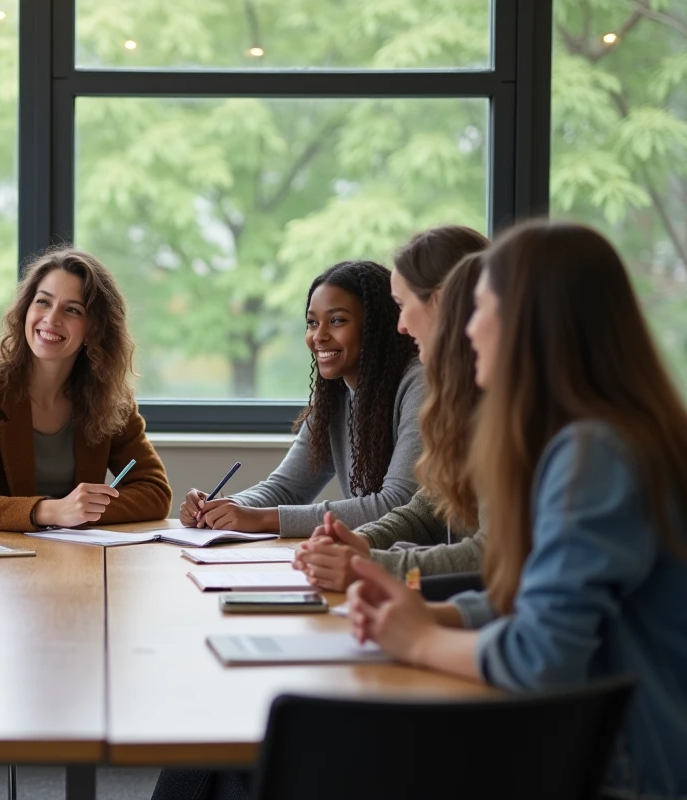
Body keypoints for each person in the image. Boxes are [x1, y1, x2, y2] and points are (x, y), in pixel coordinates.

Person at [348, 221, 687, 799]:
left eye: (482, 308)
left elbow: (542, 656)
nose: (470, 328)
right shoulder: (597, 438)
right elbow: (536, 604)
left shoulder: (594, 454)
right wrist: (427, 616)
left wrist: (420, 642)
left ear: (534, 325)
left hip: (627, 774)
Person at [296, 227, 490, 589]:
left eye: (402, 307)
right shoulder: (462, 401)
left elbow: (492, 557)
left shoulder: (507, 411)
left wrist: (373, 565)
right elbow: (426, 509)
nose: (399, 326)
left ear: (443, 303)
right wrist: (363, 542)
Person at [0, 246, 172, 533]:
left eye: (72, 310)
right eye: (43, 302)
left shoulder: (110, 398)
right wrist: (51, 511)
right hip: (1, 562)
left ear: (94, 329)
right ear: (25, 310)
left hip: (79, 559)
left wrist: (82, 511)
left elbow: (155, 492)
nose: (52, 318)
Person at [181, 260, 423, 537]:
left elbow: (397, 505)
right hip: (371, 563)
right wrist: (224, 509)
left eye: (337, 320)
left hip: (426, 571)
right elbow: (287, 489)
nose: (318, 336)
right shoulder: (335, 396)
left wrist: (260, 519)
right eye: (312, 323)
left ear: (376, 326)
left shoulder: (419, 384)